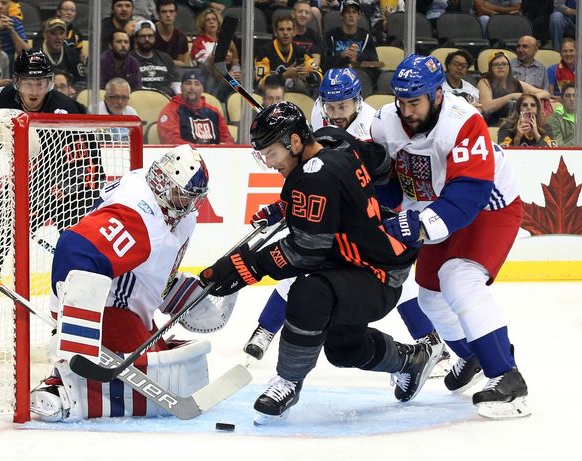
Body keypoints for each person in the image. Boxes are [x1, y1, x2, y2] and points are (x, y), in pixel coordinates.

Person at [199, 101, 437, 423]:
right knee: (343, 348)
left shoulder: (316, 176)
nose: (269, 164)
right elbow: (377, 162)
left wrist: (244, 268)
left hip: (374, 273)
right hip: (358, 260)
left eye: (271, 153)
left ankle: (287, 382)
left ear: (295, 142)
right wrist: (288, 207)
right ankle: (413, 360)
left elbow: (305, 252)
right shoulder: (333, 139)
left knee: (309, 293)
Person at [246, 69, 451, 380]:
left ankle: (430, 340)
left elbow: (375, 167)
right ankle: (265, 329)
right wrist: (284, 206)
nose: (334, 113)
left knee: (390, 277)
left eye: (342, 106)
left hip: (379, 202)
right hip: (341, 202)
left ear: (358, 101)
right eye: (330, 105)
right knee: (304, 266)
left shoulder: (373, 122)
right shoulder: (319, 112)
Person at [371, 54, 530, 419]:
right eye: (402, 101)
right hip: (436, 206)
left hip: (489, 207)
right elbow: (389, 180)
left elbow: (469, 193)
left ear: (437, 95)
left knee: (459, 278)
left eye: (415, 102)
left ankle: (507, 376)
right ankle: (476, 353)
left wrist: (419, 225)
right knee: (428, 295)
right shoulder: (385, 122)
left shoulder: (463, 122)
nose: (407, 111)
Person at [29, 145, 231, 420]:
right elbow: (73, 247)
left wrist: (178, 293)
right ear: (162, 184)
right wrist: (75, 332)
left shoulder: (179, 215)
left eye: (192, 198)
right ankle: (59, 388)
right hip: (110, 310)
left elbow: (149, 268)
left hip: (132, 309)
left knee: (170, 365)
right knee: (157, 373)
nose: (188, 204)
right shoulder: (138, 214)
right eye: (181, 195)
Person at [0, 50, 94, 346]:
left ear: (50, 83)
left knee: (80, 253)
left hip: (63, 189)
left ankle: (73, 322)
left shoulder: (64, 108)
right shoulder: (0, 98)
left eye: (41, 84)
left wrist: (68, 187)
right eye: (28, 84)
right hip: (20, 184)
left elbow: (86, 156)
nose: (34, 92)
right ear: (16, 83)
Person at [157, 70, 233, 144]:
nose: (192, 87)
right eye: (188, 83)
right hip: (185, 155)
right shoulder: (171, 110)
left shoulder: (214, 111)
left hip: (213, 155)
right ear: (181, 87)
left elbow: (227, 138)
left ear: (202, 89)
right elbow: (170, 141)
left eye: (197, 84)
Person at [254, 13, 322, 95]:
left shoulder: (301, 52)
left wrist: (308, 75)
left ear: (294, 32)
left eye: (289, 29)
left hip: (297, 97)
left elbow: (320, 77)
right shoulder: (264, 52)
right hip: (271, 97)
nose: (285, 33)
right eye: (281, 29)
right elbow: (260, 82)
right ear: (275, 32)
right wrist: (284, 75)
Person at [478, 51, 549, 127]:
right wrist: (511, 96)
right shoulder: (485, 82)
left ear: (509, 66)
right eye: (496, 64)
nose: (500, 67)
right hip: (494, 125)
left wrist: (532, 98)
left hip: (519, 124)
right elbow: (486, 107)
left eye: (504, 64)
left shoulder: (517, 83)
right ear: (490, 68)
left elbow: (546, 93)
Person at [309, 67, 376, 138]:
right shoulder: (318, 112)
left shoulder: (372, 126)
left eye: (342, 107)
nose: (335, 115)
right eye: (330, 107)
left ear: (357, 103)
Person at [323, 0, 379, 74]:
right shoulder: (331, 35)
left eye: (354, 12)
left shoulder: (366, 36)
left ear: (359, 16)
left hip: (360, 76)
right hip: (337, 76)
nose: (351, 15)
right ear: (341, 15)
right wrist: (341, 55)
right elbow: (324, 64)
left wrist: (357, 58)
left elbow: (375, 64)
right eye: (347, 12)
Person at [130, 20, 180, 97]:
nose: (147, 39)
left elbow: (175, 83)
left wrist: (180, 96)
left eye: (150, 36)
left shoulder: (165, 58)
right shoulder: (129, 59)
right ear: (136, 39)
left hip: (167, 99)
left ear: (155, 37)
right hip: (141, 98)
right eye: (143, 36)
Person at [35, 17, 85, 87]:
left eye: (61, 33)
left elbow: (81, 82)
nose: (58, 37)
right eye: (53, 33)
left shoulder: (73, 55)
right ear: (45, 35)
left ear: (65, 36)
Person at [154, 0, 190, 67]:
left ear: (176, 13)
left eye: (171, 11)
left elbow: (182, 65)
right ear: (158, 14)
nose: (168, 15)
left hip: (174, 74)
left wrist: (160, 62)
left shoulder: (181, 37)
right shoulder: (150, 34)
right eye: (164, 12)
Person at [292, 0, 323, 67]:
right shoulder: (286, 33)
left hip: (308, 73)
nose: (303, 15)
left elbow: (316, 62)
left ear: (310, 17)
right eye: (300, 12)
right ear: (293, 14)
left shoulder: (315, 36)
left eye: (307, 13)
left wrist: (304, 71)